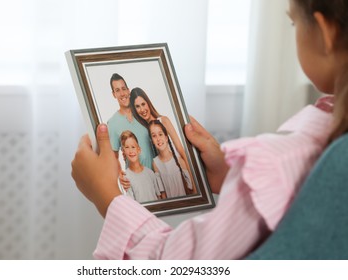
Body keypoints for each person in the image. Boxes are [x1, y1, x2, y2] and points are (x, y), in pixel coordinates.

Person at [71, 0, 347, 259]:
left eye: (293, 24)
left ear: (326, 33)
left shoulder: (280, 160)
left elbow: (177, 265)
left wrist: (107, 196)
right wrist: (232, 177)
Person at [130, 87, 196, 193]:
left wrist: (194, 182)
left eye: (143, 104)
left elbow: (181, 150)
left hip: (180, 176)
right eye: (137, 107)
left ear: (148, 103)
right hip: (165, 182)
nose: (142, 110)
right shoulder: (144, 131)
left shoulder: (163, 120)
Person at [107, 74, 154, 170]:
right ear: (113, 94)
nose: (122, 93)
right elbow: (113, 158)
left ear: (128, 90)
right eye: (117, 90)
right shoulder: (112, 124)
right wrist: (120, 173)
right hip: (136, 180)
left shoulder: (141, 112)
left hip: (157, 174)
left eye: (123, 89)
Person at [149, 120, 193, 198]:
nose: (158, 138)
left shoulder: (179, 160)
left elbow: (191, 189)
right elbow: (163, 193)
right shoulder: (155, 163)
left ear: (166, 138)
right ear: (152, 141)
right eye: (154, 136)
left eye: (160, 134)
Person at [120, 130, 166, 203]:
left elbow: (158, 197)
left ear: (139, 150)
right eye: (127, 147)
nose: (131, 151)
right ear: (124, 151)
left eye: (133, 147)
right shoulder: (126, 178)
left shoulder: (150, 173)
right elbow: (132, 204)